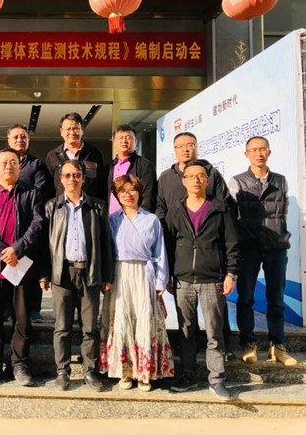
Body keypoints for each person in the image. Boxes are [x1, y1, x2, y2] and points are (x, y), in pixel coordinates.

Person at [165, 160, 240, 401]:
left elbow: (231, 245)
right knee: (186, 331)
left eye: (200, 176)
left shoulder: (220, 208)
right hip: (183, 280)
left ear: (207, 181)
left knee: (214, 333)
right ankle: (188, 375)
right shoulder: (175, 210)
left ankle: (217, 379)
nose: (196, 180)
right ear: (183, 181)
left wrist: (230, 274)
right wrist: (168, 275)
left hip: (212, 279)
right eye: (191, 176)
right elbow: (168, 245)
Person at [155, 131, 233, 359]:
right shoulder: (166, 177)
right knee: (185, 313)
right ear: (175, 150)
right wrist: (166, 227)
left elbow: (225, 205)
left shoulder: (210, 173)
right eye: (180, 146)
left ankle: (225, 347)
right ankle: (189, 350)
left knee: (216, 311)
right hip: (180, 249)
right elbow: (160, 207)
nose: (186, 149)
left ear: (197, 147)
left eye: (190, 145)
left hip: (210, 252)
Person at [0, 148, 44, 387]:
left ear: (19, 167)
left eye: (13, 162)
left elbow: (37, 223)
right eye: (3, 163)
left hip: (21, 266)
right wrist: (4, 252)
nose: (8, 167)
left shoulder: (31, 193)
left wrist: (17, 249)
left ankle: (20, 363)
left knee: (22, 319)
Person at [43, 160, 113, 391]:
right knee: (62, 327)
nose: (72, 179)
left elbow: (106, 244)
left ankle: (90, 371)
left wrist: (107, 275)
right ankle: (62, 371)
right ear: (61, 179)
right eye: (67, 175)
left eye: (76, 175)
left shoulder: (98, 207)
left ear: (83, 178)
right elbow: (45, 245)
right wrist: (44, 274)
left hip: (89, 273)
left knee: (89, 327)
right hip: (62, 274)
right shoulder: (52, 207)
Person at [228, 136, 297, 366]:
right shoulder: (237, 182)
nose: (259, 153)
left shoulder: (281, 181)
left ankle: (278, 345)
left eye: (262, 149)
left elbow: (281, 213)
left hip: (276, 246)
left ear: (269, 152)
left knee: (276, 298)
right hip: (248, 247)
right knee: (246, 298)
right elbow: (231, 216)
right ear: (246, 154)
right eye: (254, 150)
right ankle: (248, 344)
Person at [103, 174, 173, 392]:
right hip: (120, 274)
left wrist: (160, 281)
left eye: (132, 190)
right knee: (122, 319)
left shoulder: (151, 220)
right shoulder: (112, 220)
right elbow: (107, 252)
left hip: (144, 273)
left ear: (139, 193)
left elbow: (160, 252)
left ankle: (144, 372)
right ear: (117, 195)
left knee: (144, 320)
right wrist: (106, 278)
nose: (128, 194)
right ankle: (124, 371)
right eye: (122, 191)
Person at [0, 124, 54, 323]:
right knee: (6, 268)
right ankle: (7, 308)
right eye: (16, 137)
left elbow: (40, 192)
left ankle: (33, 309)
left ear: (28, 140)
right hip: (5, 223)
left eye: (23, 137)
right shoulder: (1, 161)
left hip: (29, 223)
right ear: (8, 140)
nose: (20, 140)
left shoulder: (37, 165)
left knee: (30, 269)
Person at [46, 112, 106, 199]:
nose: (72, 132)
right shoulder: (53, 156)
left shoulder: (94, 153)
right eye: (68, 129)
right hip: (62, 205)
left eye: (75, 128)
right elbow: (49, 187)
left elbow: (101, 183)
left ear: (82, 130)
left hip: (89, 204)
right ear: (61, 132)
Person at [107, 124, 157, 214]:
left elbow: (148, 196)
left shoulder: (145, 166)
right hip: (111, 218)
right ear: (114, 142)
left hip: (135, 218)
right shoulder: (109, 167)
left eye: (128, 137)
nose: (124, 141)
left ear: (135, 141)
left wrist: (142, 218)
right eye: (120, 138)